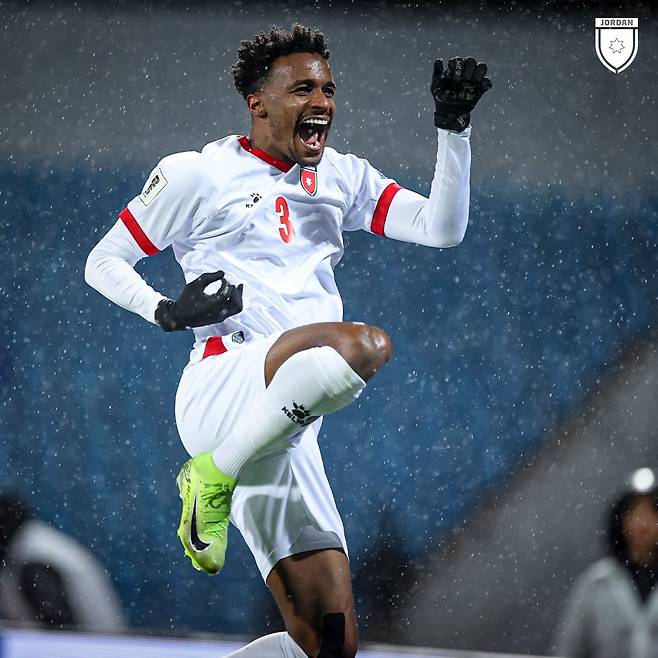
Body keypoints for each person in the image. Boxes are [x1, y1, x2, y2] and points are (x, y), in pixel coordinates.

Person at [85, 24, 491, 657]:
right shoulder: (198, 174)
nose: (321, 101)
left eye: (328, 89)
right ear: (259, 102)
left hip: (285, 429)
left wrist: (453, 130)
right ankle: (211, 475)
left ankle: (218, 476)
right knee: (362, 347)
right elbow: (103, 262)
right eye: (303, 89)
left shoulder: (342, 176)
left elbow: (442, 228)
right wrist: (166, 310)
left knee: (327, 645)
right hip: (225, 387)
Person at [553, 469, 658, 658]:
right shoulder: (595, 585)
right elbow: (568, 651)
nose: (643, 523)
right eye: (635, 512)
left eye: (652, 512)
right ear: (621, 520)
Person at [0, 493, 126, 631]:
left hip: (92, 641)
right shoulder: (37, 542)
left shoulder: (35, 560)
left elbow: (57, 625)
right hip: (100, 639)